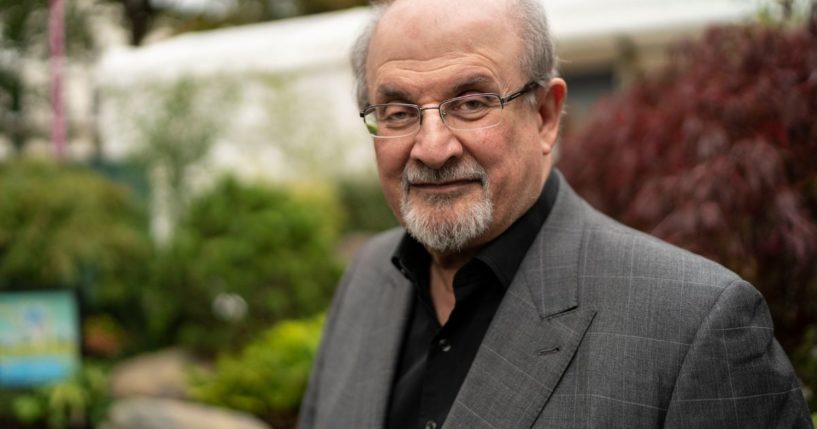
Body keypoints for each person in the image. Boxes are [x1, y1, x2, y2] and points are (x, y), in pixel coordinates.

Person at [298, 0, 813, 427]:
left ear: (545, 116)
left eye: (473, 102)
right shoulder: (365, 279)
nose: (432, 148)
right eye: (399, 112)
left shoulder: (697, 328)